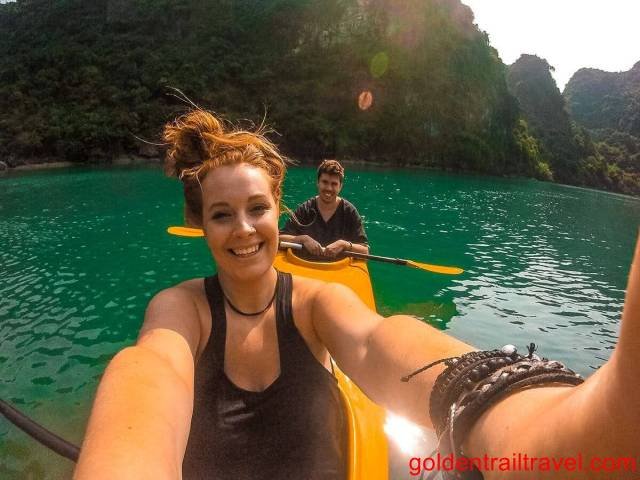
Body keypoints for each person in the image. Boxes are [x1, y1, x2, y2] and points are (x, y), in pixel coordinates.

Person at [74, 109, 639, 480]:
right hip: (305, 253)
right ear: (202, 225)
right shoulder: (180, 309)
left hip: (334, 268)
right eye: (222, 215)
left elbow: (376, 340)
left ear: (275, 209)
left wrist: (514, 407)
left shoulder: (319, 302)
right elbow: (148, 376)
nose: (243, 229)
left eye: (256, 209)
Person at [279, 159, 369, 261]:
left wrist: (344, 245)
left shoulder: (349, 212)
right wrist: (303, 239)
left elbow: (365, 251)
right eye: (325, 182)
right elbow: (279, 239)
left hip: (337, 269)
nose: (329, 188)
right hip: (304, 266)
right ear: (318, 183)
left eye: (334, 184)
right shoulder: (305, 209)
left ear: (340, 187)